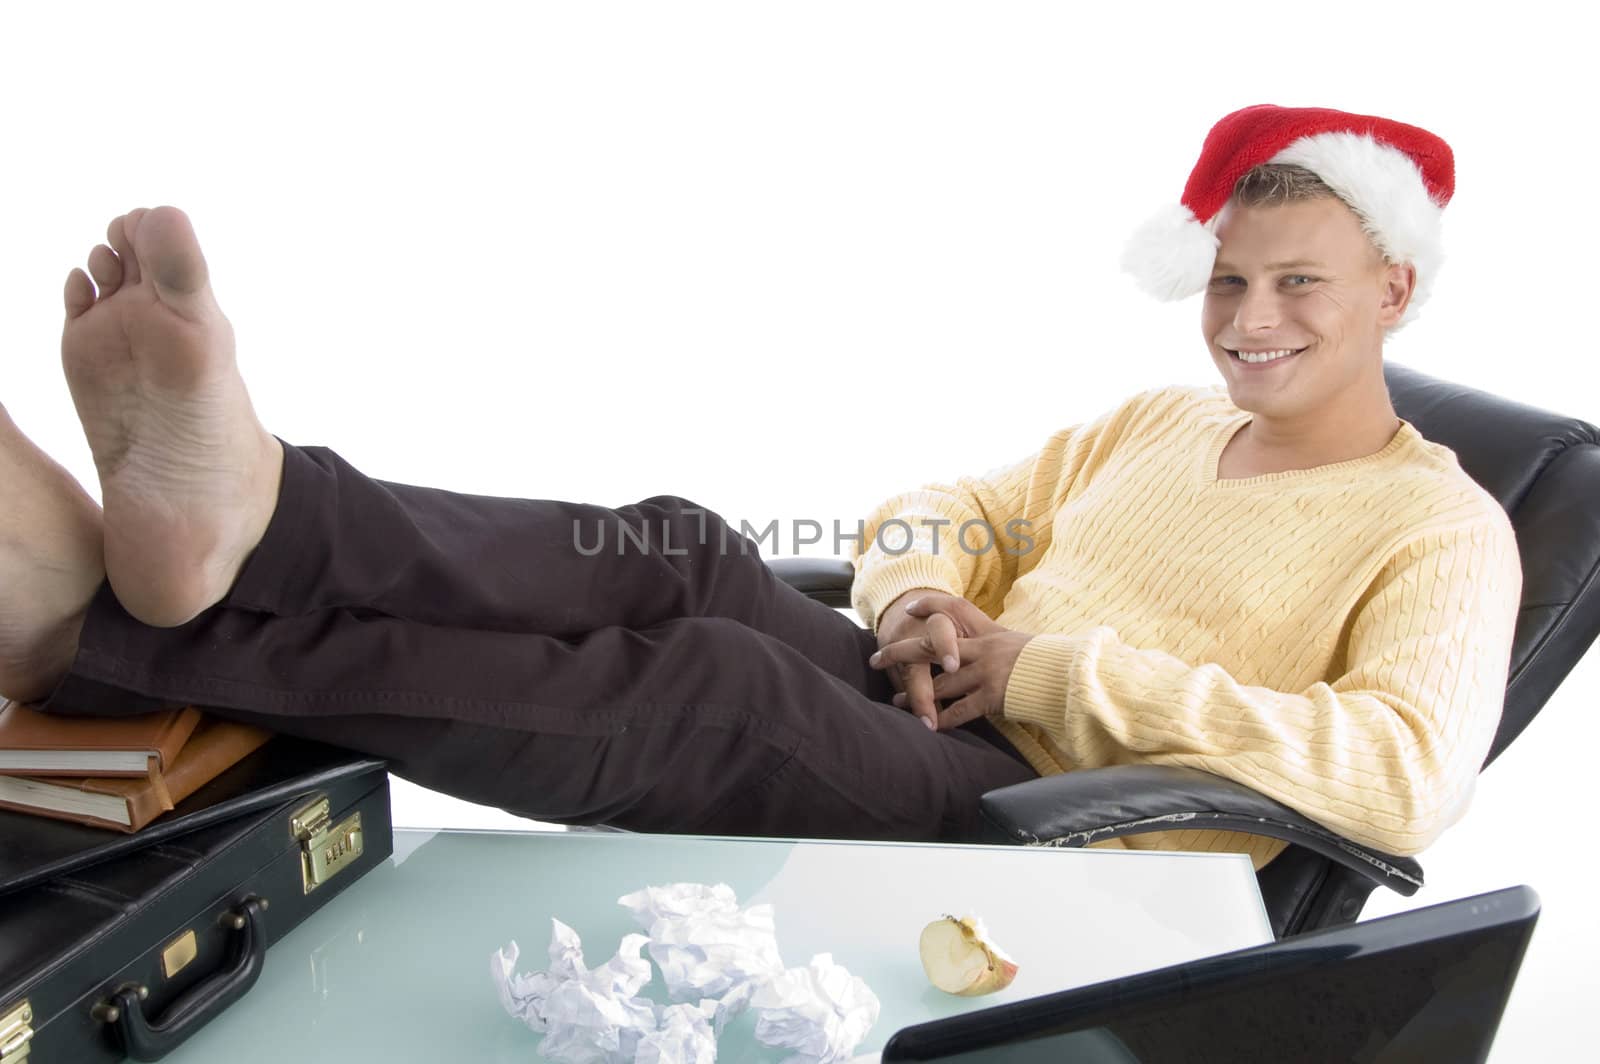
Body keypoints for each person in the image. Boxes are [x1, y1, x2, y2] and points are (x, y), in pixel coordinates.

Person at [0, 105, 1518, 867]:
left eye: (1299, 285)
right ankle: (260, 509)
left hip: (1087, 830)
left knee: (722, 689)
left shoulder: (1441, 528)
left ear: (1393, 288)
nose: (1250, 323)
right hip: (954, 710)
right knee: (678, 549)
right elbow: (948, 510)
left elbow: (1401, 774)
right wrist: (922, 596)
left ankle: (107, 634)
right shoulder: (1163, 423)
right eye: (1229, 282)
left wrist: (1050, 665)